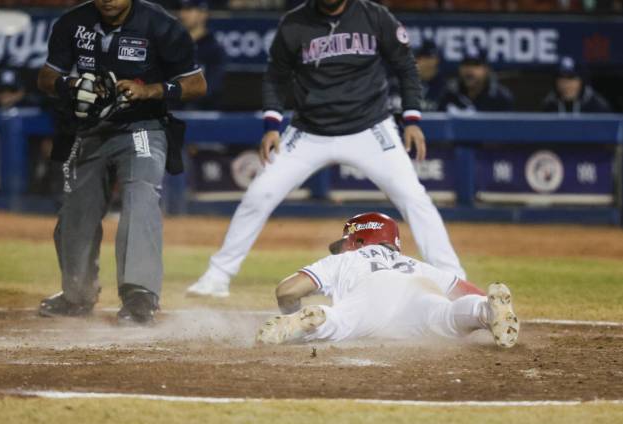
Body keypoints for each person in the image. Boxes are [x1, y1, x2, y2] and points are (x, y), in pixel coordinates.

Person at [187, 0, 466, 298]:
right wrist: (272, 125)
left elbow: (405, 66)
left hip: (369, 128)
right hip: (309, 131)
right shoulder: (295, 22)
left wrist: (412, 119)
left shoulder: (374, 16)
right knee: (259, 194)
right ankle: (217, 276)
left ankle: (454, 279)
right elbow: (276, 75)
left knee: (414, 197)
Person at [36, 0, 207, 323]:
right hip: (89, 130)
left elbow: (197, 85)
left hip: (143, 127)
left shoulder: (162, 25)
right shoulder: (72, 23)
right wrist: (70, 84)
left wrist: (151, 90)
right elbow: (46, 77)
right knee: (76, 210)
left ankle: (140, 296)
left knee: (140, 196)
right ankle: (77, 295)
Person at [255, 212, 519, 347]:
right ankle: (483, 312)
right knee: (447, 316)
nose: (342, 248)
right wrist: (485, 303)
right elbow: (468, 290)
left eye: (346, 242)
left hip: (369, 295)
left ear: (358, 241)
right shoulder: (414, 264)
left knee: (341, 321)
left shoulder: (347, 259)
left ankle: (314, 319)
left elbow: (287, 290)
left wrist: (289, 312)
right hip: (417, 291)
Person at [177, 0, 226, 109]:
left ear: (203, 14)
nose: (182, 14)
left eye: (188, 10)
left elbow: (212, 89)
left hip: (202, 112)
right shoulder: (174, 45)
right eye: (182, 9)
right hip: (174, 110)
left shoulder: (214, 49)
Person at [439, 48, 515, 113]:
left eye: (476, 65)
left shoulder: (500, 97)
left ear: (486, 69)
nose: (469, 70)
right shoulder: (448, 94)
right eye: (466, 64)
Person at [541, 57, 612, 114]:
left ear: (582, 81)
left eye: (571, 79)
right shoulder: (549, 104)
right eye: (562, 79)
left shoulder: (597, 106)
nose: (566, 85)